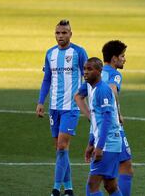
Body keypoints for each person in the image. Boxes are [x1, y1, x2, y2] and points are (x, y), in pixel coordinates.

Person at [36, 19, 88, 196]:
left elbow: (88, 77)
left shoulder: (79, 53)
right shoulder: (50, 53)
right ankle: (70, 189)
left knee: (61, 146)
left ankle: (56, 189)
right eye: (58, 33)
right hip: (54, 108)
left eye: (64, 33)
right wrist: (41, 102)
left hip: (71, 108)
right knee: (61, 151)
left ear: (70, 34)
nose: (60, 36)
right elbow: (47, 80)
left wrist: (81, 97)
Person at [75, 57, 123, 196]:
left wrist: (100, 146)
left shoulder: (103, 90)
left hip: (108, 144)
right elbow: (97, 121)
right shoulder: (93, 89)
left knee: (92, 186)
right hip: (108, 143)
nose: (85, 72)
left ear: (99, 71)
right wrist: (91, 142)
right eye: (84, 69)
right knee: (110, 185)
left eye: (90, 69)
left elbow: (108, 120)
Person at [101, 40, 133, 196]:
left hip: (99, 125)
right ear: (114, 58)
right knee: (125, 167)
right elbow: (112, 90)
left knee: (103, 176)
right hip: (113, 127)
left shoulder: (97, 72)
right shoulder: (115, 74)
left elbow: (79, 96)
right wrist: (118, 113)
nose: (124, 59)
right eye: (122, 56)